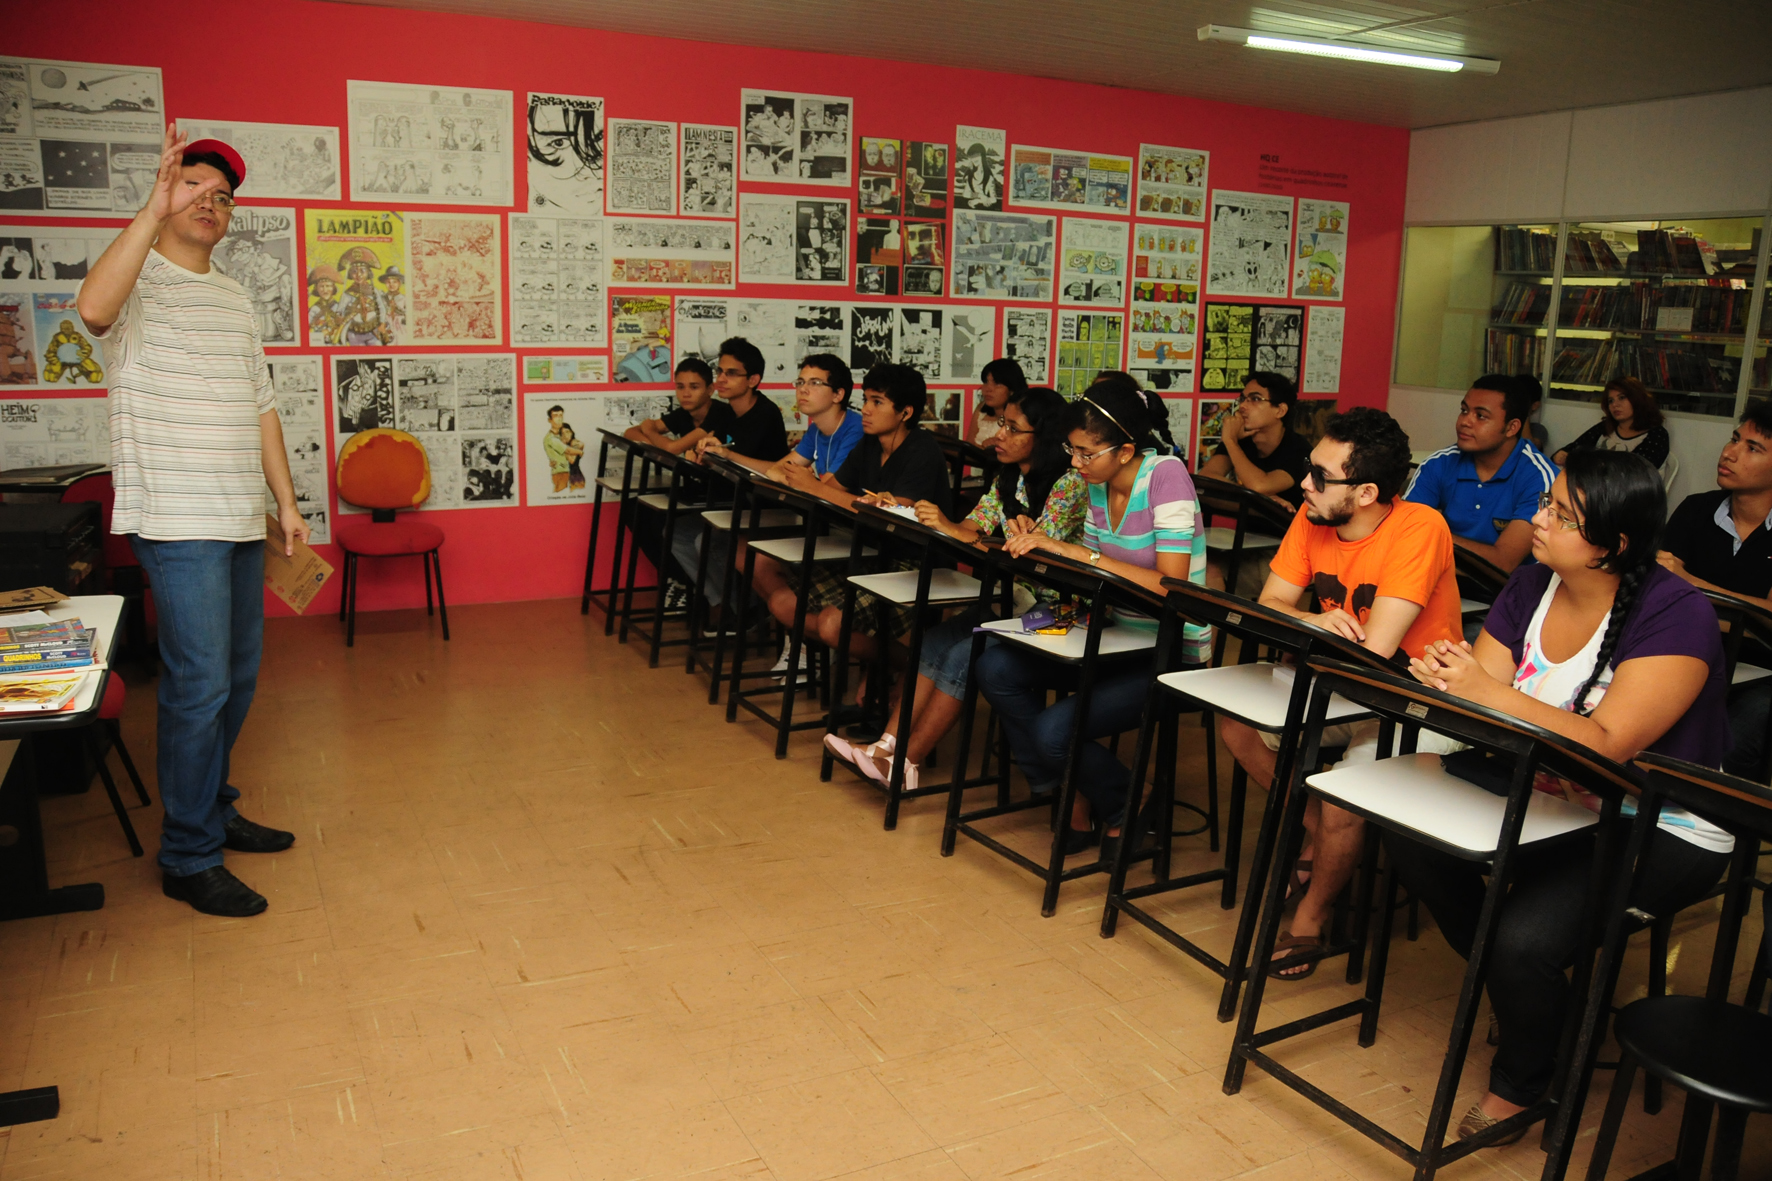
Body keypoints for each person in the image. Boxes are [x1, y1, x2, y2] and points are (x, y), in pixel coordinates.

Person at [1397, 450, 1733, 1144]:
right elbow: (1484, 698)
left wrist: (1484, 690)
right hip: (1553, 789)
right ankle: (1537, 998)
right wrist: (1447, 679)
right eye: (1546, 503)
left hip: (1659, 820)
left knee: (1524, 939)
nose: (1538, 520)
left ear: (1612, 544)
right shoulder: (1531, 583)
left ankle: (1523, 1082)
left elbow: (1608, 744)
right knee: (1410, 834)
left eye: (1560, 514)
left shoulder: (1677, 614)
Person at [75, 126, 308, 918]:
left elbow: (262, 406)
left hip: (241, 516)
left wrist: (285, 502)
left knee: (235, 681)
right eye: (194, 188)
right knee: (197, 687)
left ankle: (213, 806)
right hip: (177, 519)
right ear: (166, 195)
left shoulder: (236, 297)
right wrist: (150, 211)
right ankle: (188, 854)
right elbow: (92, 309)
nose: (212, 203)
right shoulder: (136, 278)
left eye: (224, 197)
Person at [1218, 408, 1465, 977]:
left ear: (1367, 493)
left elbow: (1376, 653)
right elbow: (1270, 604)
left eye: (1321, 476)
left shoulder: (1420, 527)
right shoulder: (1315, 515)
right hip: (1342, 682)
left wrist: (1305, 629)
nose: (1305, 484)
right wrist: (1313, 622)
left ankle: (1312, 917)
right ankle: (1318, 834)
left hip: (1416, 698)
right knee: (1238, 725)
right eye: (1309, 468)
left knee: (1342, 796)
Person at [974, 382, 1211, 864]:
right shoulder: (1097, 481)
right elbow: (1086, 570)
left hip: (1169, 649)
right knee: (994, 666)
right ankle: (1080, 792)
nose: (1076, 464)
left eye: (1086, 454)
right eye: (1072, 451)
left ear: (1125, 451)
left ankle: (1129, 799)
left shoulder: (1166, 476)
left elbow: (1171, 587)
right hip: (1111, 632)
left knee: (1054, 733)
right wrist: (1034, 538)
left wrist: (1077, 554)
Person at [826, 386, 1088, 790]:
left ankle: (906, 764)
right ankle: (884, 747)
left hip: (1062, 611)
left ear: (1045, 436)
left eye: (1012, 428)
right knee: (932, 642)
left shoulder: (1070, 484)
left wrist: (953, 528)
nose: (999, 435)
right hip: (1014, 599)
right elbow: (971, 528)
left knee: (964, 655)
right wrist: (926, 517)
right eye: (1001, 424)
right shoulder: (1008, 478)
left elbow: (1031, 549)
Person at [773, 363, 952, 670]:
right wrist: (807, 484)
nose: (866, 410)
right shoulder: (869, 443)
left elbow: (891, 515)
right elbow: (832, 491)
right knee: (783, 603)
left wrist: (814, 486)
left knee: (832, 625)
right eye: (866, 399)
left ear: (905, 412)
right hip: (871, 554)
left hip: (915, 565)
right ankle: (896, 666)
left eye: (877, 402)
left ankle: (915, 670)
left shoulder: (922, 449)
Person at [1657, 401, 1772, 780]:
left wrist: (1692, 584)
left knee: (1728, 749)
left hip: (1763, 671)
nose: (1730, 453)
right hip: (1689, 654)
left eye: (1753, 448)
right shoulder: (1695, 509)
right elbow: (1660, 594)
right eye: (1734, 439)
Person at [741, 354, 864, 645]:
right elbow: (777, 470)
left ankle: (806, 642)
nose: (803, 390)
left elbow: (827, 488)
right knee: (750, 558)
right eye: (800, 382)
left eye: (815, 383)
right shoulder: (815, 430)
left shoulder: (855, 428)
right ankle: (803, 639)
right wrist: (802, 480)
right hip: (823, 523)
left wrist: (806, 480)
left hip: (852, 531)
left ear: (838, 394)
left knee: (762, 563)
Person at [671, 338, 789, 618]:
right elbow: (710, 447)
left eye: (731, 373)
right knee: (676, 534)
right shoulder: (724, 411)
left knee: (705, 541)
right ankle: (725, 604)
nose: (721, 379)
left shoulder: (765, 413)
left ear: (753, 380)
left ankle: (746, 612)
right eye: (720, 372)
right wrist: (702, 452)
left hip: (768, 508)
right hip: (735, 501)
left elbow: (763, 467)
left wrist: (721, 454)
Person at [1405, 373, 1558, 574]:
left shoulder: (1540, 478)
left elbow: (1504, 562)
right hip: (1445, 577)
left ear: (1511, 428)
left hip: (1509, 589)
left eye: (1480, 416)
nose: (1465, 422)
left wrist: (1433, 534)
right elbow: (1404, 532)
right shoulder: (1438, 464)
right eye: (1464, 411)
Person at [1195, 371, 1311, 508]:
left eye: (1255, 399)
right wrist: (1260, 498)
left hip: (1291, 522)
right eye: (1243, 399)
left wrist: (1230, 441)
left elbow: (1261, 486)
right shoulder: (1240, 439)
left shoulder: (1298, 449)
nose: (1242, 406)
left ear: (1280, 411)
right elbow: (1206, 478)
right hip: (1250, 521)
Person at [1552, 376, 1670, 473]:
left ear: (1637, 399)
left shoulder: (1657, 434)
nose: (1615, 405)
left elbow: (1635, 471)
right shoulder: (1606, 426)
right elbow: (1575, 448)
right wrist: (1561, 455)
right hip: (1594, 486)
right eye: (1611, 401)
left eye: (1622, 398)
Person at [624, 357, 736, 456]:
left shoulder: (720, 412)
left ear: (710, 390)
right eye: (681, 387)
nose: (686, 394)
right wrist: (656, 446)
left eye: (694, 387)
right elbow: (630, 432)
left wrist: (649, 432)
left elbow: (672, 448)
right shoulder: (683, 413)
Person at [968, 357, 1028, 447]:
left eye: (997, 384)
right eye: (986, 382)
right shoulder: (981, 408)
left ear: (1012, 389)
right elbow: (968, 447)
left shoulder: (1024, 415)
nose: (988, 389)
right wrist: (983, 448)